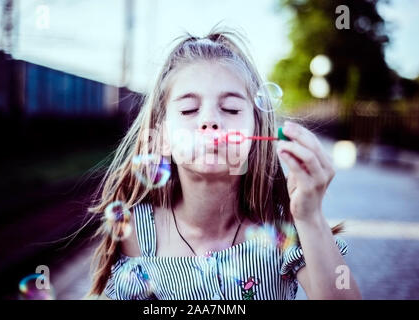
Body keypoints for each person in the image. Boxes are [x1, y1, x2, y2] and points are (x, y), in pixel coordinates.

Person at [86, 27, 362, 300]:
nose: (210, 120)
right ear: (161, 139)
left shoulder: (282, 228)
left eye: (231, 109)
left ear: (256, 132)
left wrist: (310, 216)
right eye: (188, 110)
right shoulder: (140, 232)